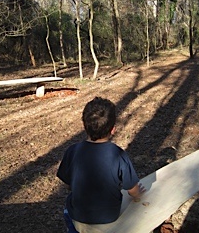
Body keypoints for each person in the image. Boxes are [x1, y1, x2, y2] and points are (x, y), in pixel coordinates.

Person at [57, 97, 146, 232]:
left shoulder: (72, 151)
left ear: (84, 126)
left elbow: (69, 184)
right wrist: (138, 194)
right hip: (109, 217)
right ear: (113, 130)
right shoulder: (119, 155)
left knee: (69, 208)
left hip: (78, 216)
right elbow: (132, 190)